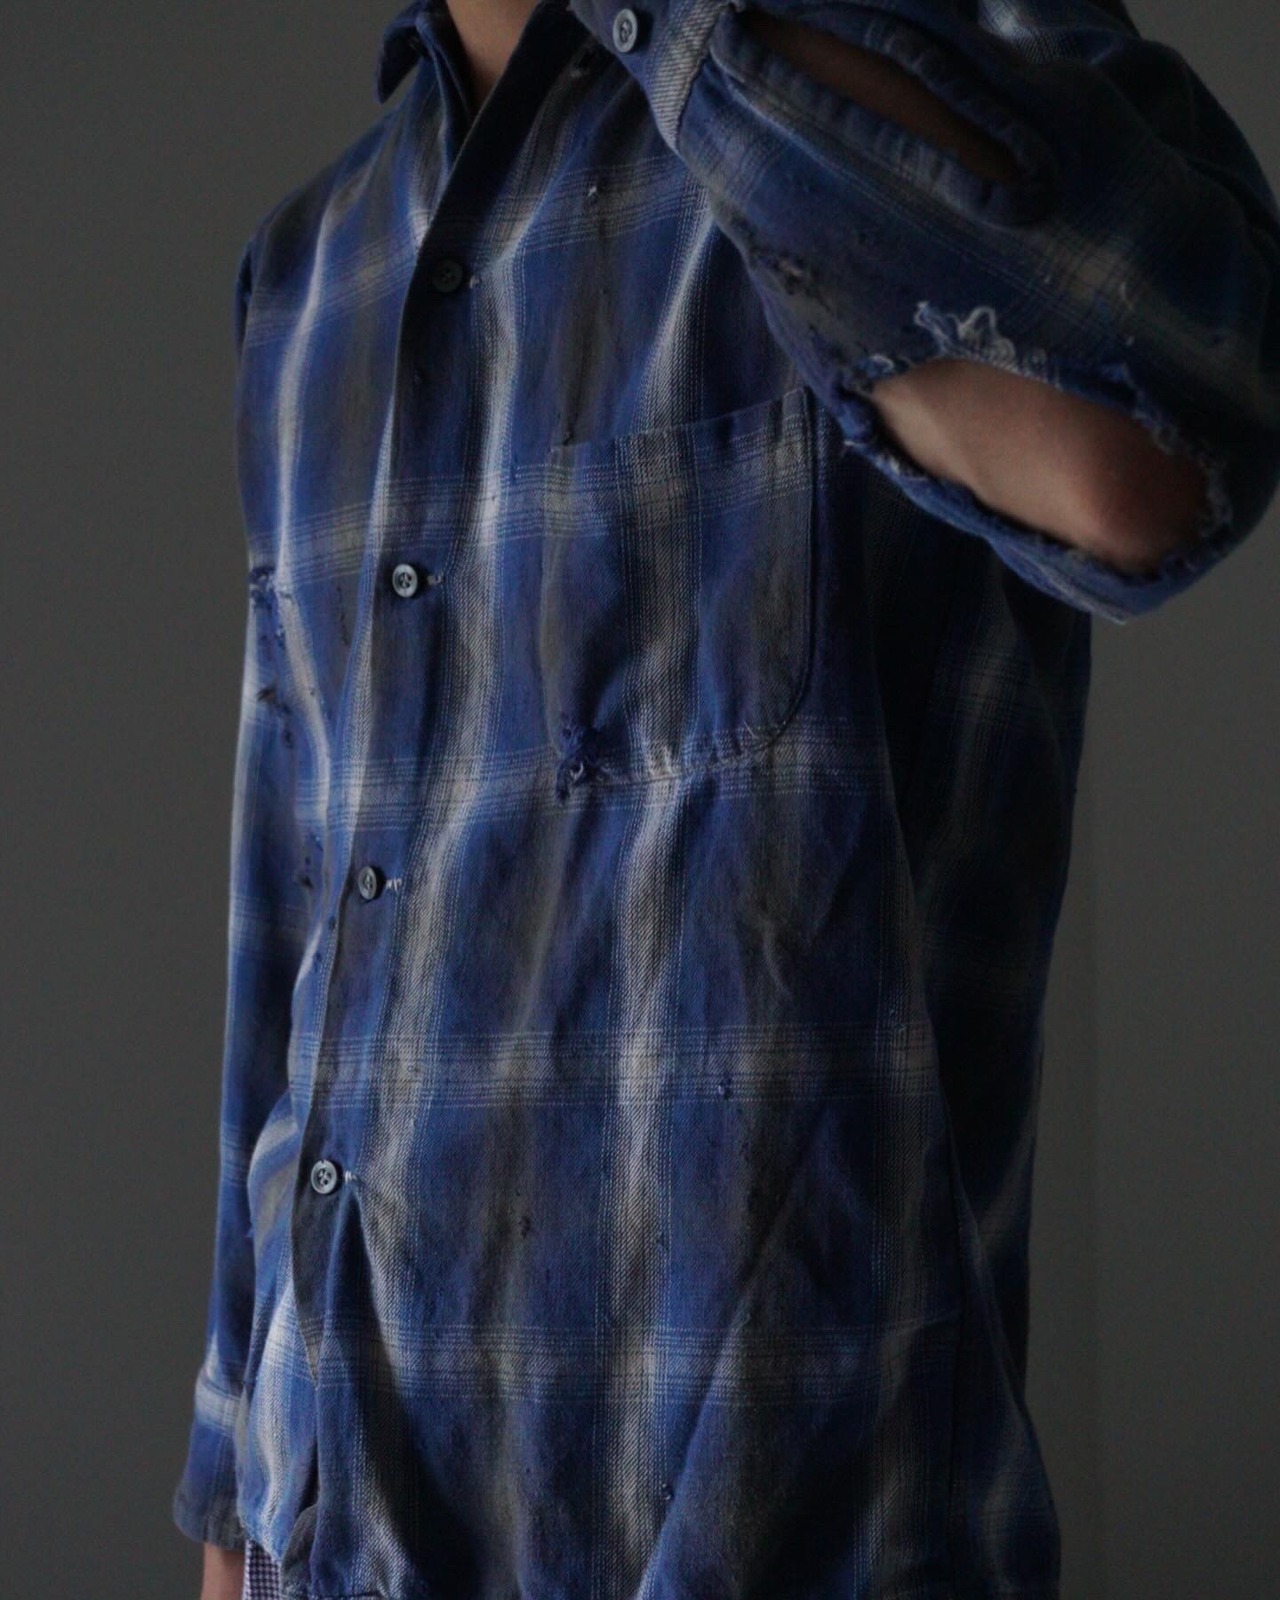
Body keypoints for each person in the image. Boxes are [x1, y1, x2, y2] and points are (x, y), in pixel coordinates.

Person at [174, 1, 1280, 1597]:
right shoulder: (313, 269)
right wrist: (233, 1503)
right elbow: (295, 925)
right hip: (333, 1538)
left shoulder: (916, 55)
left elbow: (1163, 446)